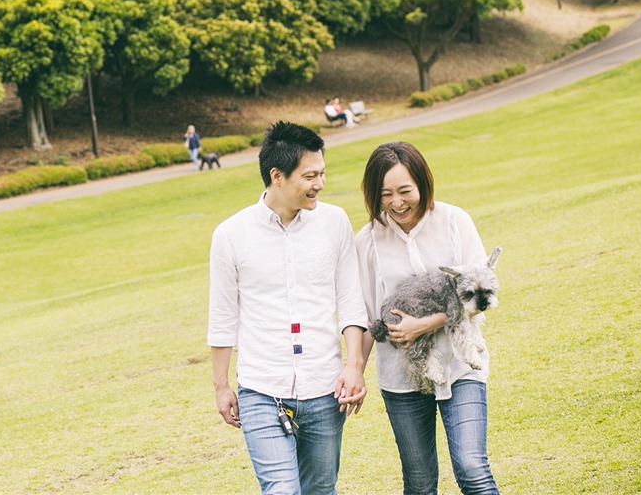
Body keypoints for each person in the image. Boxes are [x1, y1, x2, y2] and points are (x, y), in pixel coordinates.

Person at [208, 121, 369, 495]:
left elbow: (350, 300)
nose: (320, 184)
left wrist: (353, 365)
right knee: (281, 489)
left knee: (320, 490)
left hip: (325, 388)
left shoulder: (335, 222)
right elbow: (222, 316)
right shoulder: (230, 234)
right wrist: (221, 386)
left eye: (322, 173)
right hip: (262, 389)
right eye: (310, 175)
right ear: (276, 176)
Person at [354, 141, 500, 495]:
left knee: (472, 468)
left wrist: (426, 324)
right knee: (419, 482)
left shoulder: (454, 221)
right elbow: (366, 316)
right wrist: (353, 370)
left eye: (405, 191)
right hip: (401, 376)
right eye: (385, 194)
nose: (397, 203)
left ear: (422, 183)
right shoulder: (367, 241)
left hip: (461, 365)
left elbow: (481, 295)